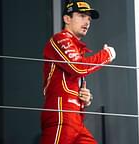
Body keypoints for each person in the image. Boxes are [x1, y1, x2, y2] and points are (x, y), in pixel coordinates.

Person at [40, 0, 116, 143]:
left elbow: (75, 72)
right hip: (61, 115)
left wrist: (85, 99)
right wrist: (107, 55)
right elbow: (78, 67)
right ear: (67, 19)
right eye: (81, 16)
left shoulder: (76, 48)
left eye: (88, 18)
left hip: (76, 119)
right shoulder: (60, 39)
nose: (87, 21)